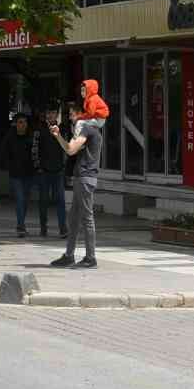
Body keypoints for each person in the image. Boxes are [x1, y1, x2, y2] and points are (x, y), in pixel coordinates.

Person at [50, 86, 106, 269]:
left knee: (86, 218)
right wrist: (60, 136)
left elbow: (70, 150)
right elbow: (72, 149)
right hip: (83, 178)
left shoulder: (87, 130)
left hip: (85, 178)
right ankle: (69, 255)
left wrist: (58, 136)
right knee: (74, 218)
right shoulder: (92, 130)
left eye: (74, 115)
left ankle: (91, 258)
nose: (72, 119)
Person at [35, 107, 69, 239]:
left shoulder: (62, 130)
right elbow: (35, 149)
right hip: (44, 172)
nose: (50, 115)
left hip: (58, 171)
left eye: (53, 113)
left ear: (57, 115)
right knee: (43, 201)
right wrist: (39, 167)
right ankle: (43, 227)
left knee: (60, 200)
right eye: (48, 113)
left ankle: (63, 228)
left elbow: (66, 148)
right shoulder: (40, 130)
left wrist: (63, 167)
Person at [3, 112, 37, 238]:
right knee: (20, 199)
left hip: (29, 173)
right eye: (20, 122)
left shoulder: (31, 137)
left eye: (25, 122)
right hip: (15, 174)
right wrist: (10, 166)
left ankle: (21, 224)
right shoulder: (10, 137)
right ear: (16, 124)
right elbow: (4, 153)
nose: (23, 125)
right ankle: (20, 226)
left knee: (25, 201)